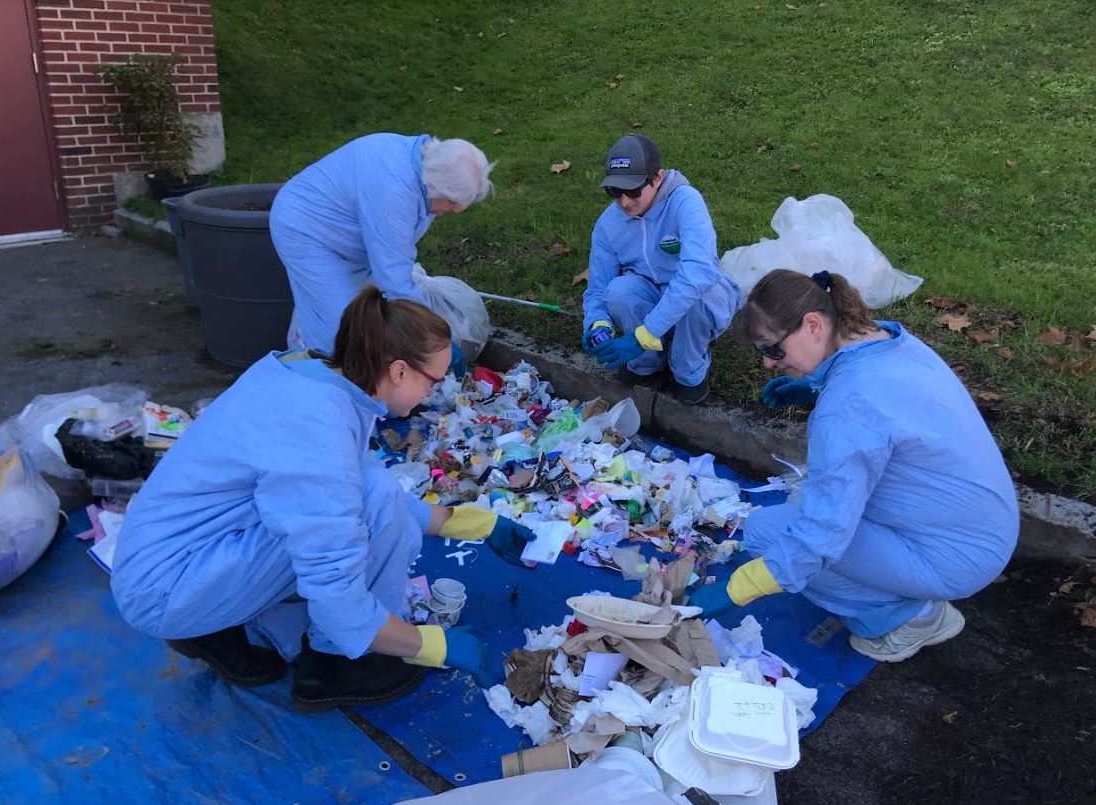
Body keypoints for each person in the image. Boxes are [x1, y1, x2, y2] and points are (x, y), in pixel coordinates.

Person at [110, 286, 535, 711]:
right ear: (400, 371)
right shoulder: (318, 433)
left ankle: (215, 623)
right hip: (163, 588)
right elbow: (335, 587)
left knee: (372, 498)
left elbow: (351, 485)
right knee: (375, 516)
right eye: (435, 381)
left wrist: (473, 524)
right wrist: (426, 643)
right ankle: (334, 668)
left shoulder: (313, 374)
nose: (433, 394)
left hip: (171, 553)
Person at [691, 269, 1019, 662]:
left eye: (773, 349)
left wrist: (736, 588)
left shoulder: (847, 408)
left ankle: (910, 617)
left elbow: (820, 534)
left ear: (813, 324)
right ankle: (906, 592)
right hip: (981, 527)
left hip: (955, 555)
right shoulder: (885, 339)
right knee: (794, 522)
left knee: (766, 536)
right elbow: (883, 407)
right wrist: (816, 383)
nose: (767, 363)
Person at [269, 133, 496, 376]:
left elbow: (394, 259)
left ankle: (315, 358)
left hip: (347, 236)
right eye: (452, 203)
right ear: (438, 184)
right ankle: (322, 390)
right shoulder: (395, 190)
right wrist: (437, 341)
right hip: (307, 231)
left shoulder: (425, 170)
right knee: (342, 329)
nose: (455, 211)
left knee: (350, 310)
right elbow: (395, 280)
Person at [580, 134, 740, 405]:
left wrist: (643, 335)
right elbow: (597, 288)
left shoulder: (685, 201)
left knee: (698, 293)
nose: (624, 202)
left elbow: (698, 273)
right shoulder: (608, 223)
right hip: (652, 298)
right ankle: (645, 363)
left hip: (704, 298)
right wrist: (597, 323)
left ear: (657, 178)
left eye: (632, 190)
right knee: (618, 291)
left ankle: (688, 370)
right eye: (614, 191)